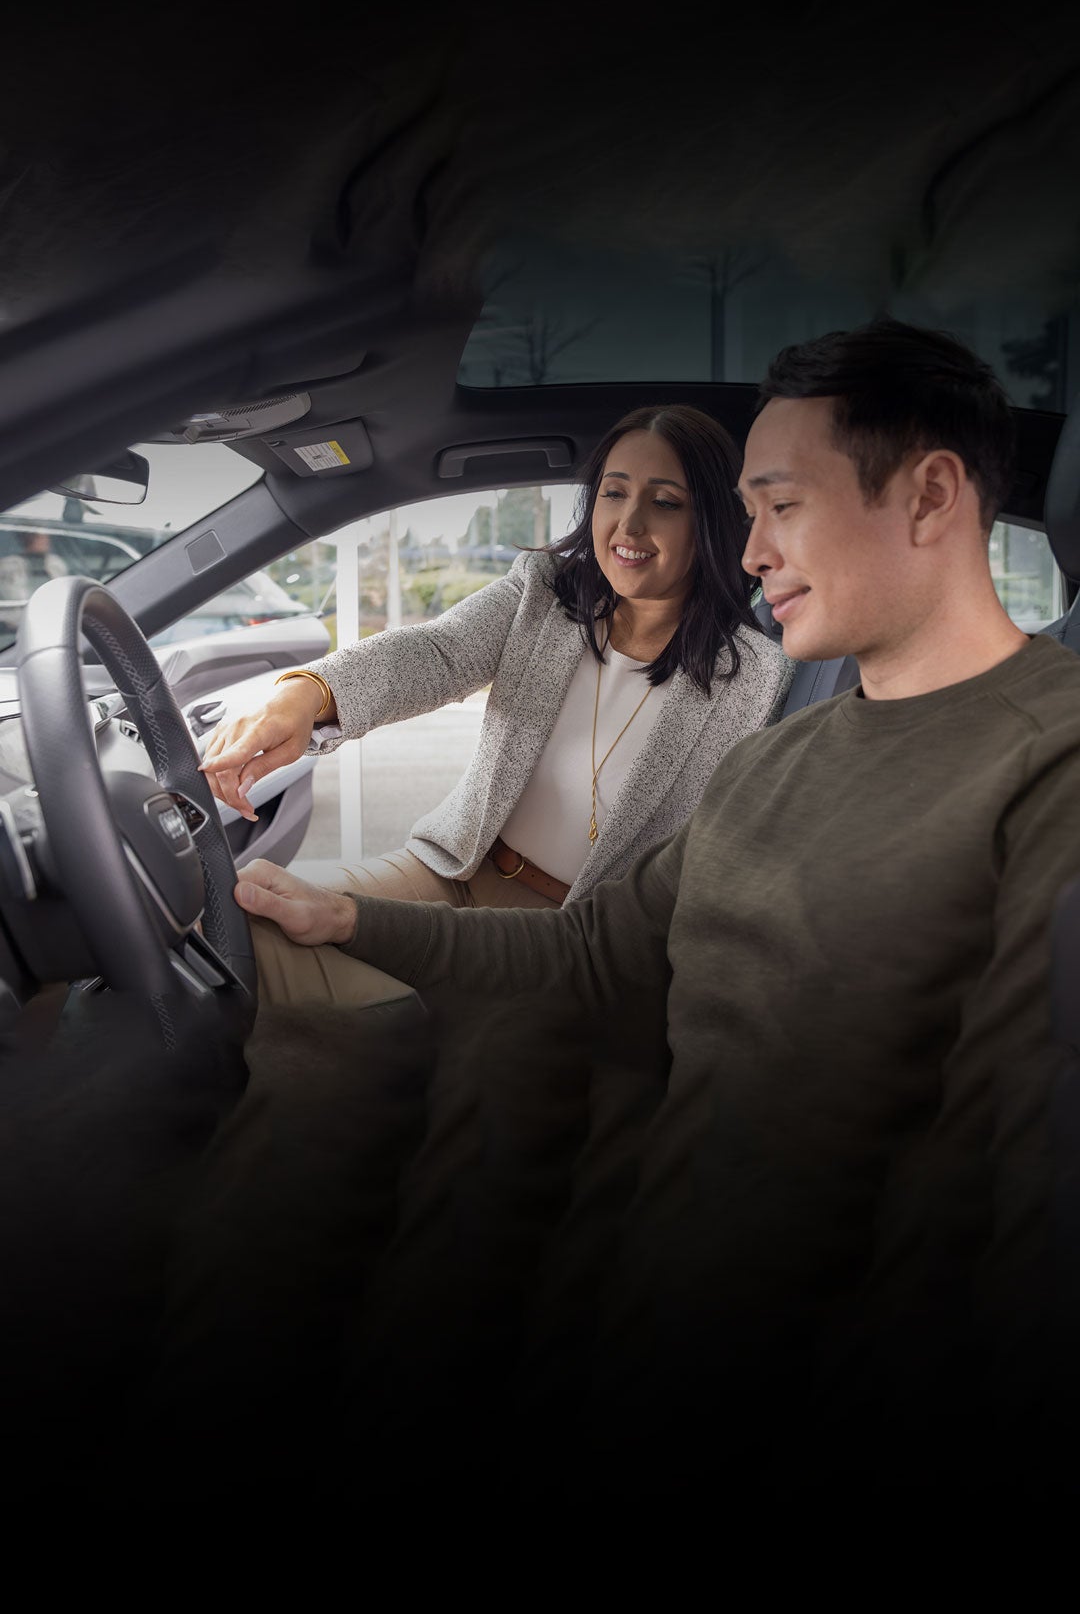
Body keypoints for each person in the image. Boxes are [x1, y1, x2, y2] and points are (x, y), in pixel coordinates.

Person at [224, 316, 1080, 1491]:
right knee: (298, 1050)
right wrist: (345, 900)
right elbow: (592, 953)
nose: (755, 549)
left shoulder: (1037, 763)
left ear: (929, 497)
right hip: (598, 1187)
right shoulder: (785, 755)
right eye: (747, 511)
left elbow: (1021, 1194)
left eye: (778, 506)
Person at [199, 403, 792, 998]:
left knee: (334, 1004)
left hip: (572, 936)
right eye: (614, 494)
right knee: (239, 929)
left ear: (711, 520)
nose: (628, 525)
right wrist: (306, 693)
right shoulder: (545, 592)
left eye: (665, 502)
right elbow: (437, 652)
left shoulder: (754, 678)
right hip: (454, 868)